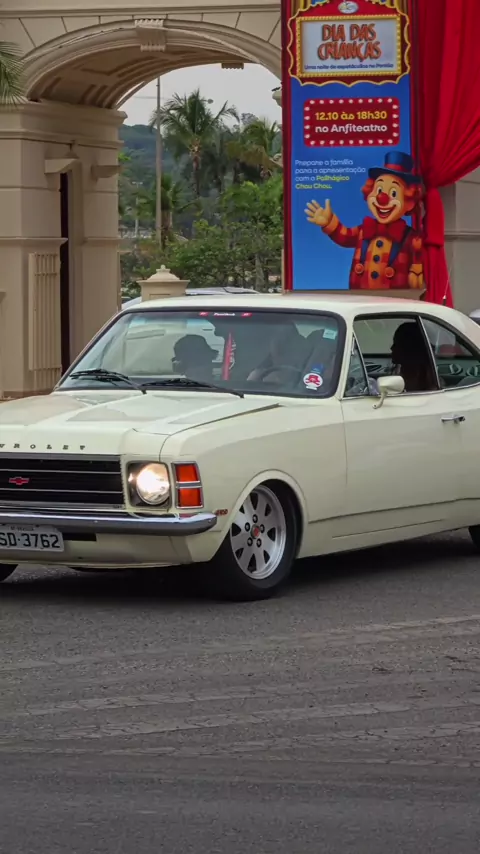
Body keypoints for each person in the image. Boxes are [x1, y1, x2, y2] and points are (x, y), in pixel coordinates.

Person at [390, 322, 437, 393]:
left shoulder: (430, 386)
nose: (391, 348)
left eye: (396, 343)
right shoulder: (408, 375)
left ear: (410, 347)